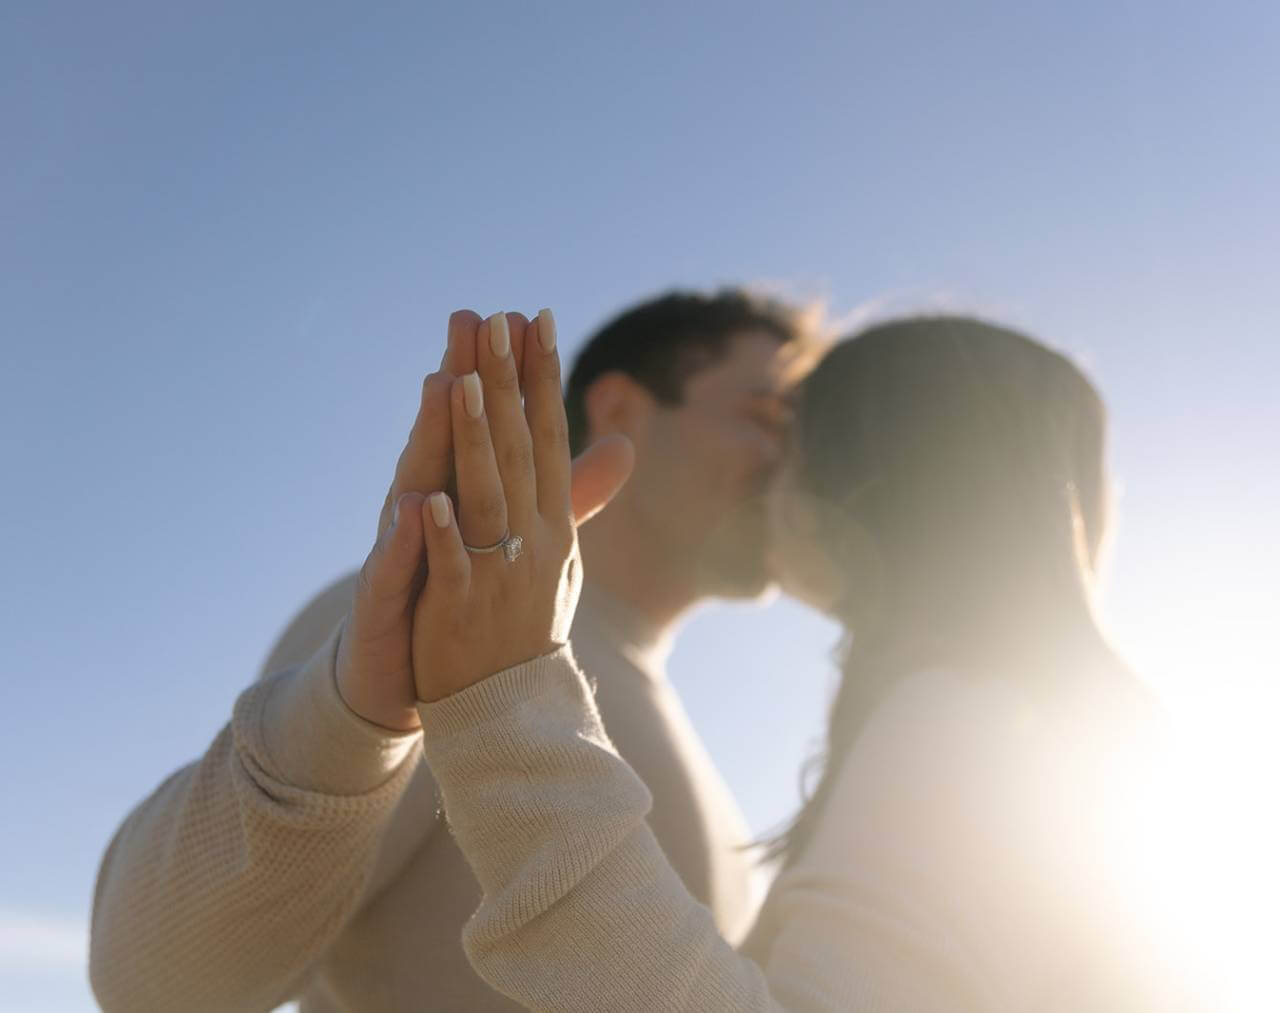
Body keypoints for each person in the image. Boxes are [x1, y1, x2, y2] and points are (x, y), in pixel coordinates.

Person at [408, 313, 1181, 1009]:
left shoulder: (958, 720)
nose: (776, 464)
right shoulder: (1004, 718)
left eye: (799, 427)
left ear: (881, 466)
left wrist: (499, 706)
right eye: (764, 416)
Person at [89, 293, 817, 1011]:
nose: (792, 460)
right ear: (622, 409)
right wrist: (354, 716)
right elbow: (157, 984)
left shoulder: (713, 778)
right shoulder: (429, 602)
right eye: (766, 417)